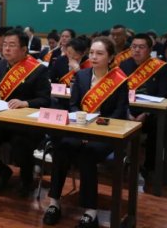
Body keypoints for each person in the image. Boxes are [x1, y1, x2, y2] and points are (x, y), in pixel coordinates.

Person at [44, 37, 129, 228]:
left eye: (100, 53)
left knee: (87, 155)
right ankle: (54, 203)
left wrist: (96, 127)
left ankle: (90, 212)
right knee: (61, 148)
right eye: (91, 53)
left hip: (106, 134)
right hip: (80, 129)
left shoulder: (119, 80)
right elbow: (74, 104)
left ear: (111, 57)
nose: (94, 57)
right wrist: (81, 122)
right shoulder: (82, 76)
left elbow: (119, 113)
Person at [0, 29, 52, 196]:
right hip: (0, 121)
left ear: (24, 49)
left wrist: (26, 103)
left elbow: (45, 100)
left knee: (20, 146)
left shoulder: (37, 70)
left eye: (12, 45)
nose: (6, 49)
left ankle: (26, 179)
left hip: (26, 125)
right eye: (5, 45)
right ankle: (2, 171)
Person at [120, 33, 167, 180]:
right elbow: (119, 94)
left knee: (158, 126)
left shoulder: (160, 67)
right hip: (128, 111)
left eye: (141, 47)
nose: (137, 50)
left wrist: (146, 113)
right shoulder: (124, 65)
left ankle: (150, 167)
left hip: (150, 113)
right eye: (134, 47)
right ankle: (120, 161)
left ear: (149, 50)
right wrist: (127, 112)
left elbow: (164, 94)